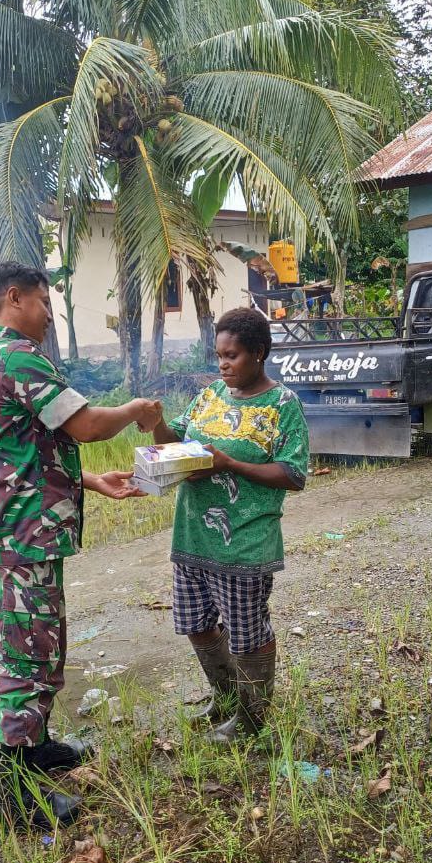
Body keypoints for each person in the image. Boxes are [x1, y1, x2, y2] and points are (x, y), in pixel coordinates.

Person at [0, 261, 161, 828]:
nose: (50, 314)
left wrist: (92, 482)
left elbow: (25, 454)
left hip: (21, 525)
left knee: (41, 646)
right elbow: (85, 426)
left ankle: (38, 745)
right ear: (13, 298)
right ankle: (16, 791)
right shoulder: (16, 356)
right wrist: (136, 412)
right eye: (43, 302)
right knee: (30, 654)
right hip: (23, 535)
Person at [150, 307, 309, 744]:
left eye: (232, 355)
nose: (223, 364)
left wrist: (230, 463)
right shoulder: (211, 395)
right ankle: (225, 699)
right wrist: (156, 425)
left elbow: (294, 474)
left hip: (244, 540)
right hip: (192, 534)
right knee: (197, 622)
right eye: (219, 355)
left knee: (247, 633)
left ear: (258, 353)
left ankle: (253, 719)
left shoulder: (283, 405)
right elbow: (175, 442)